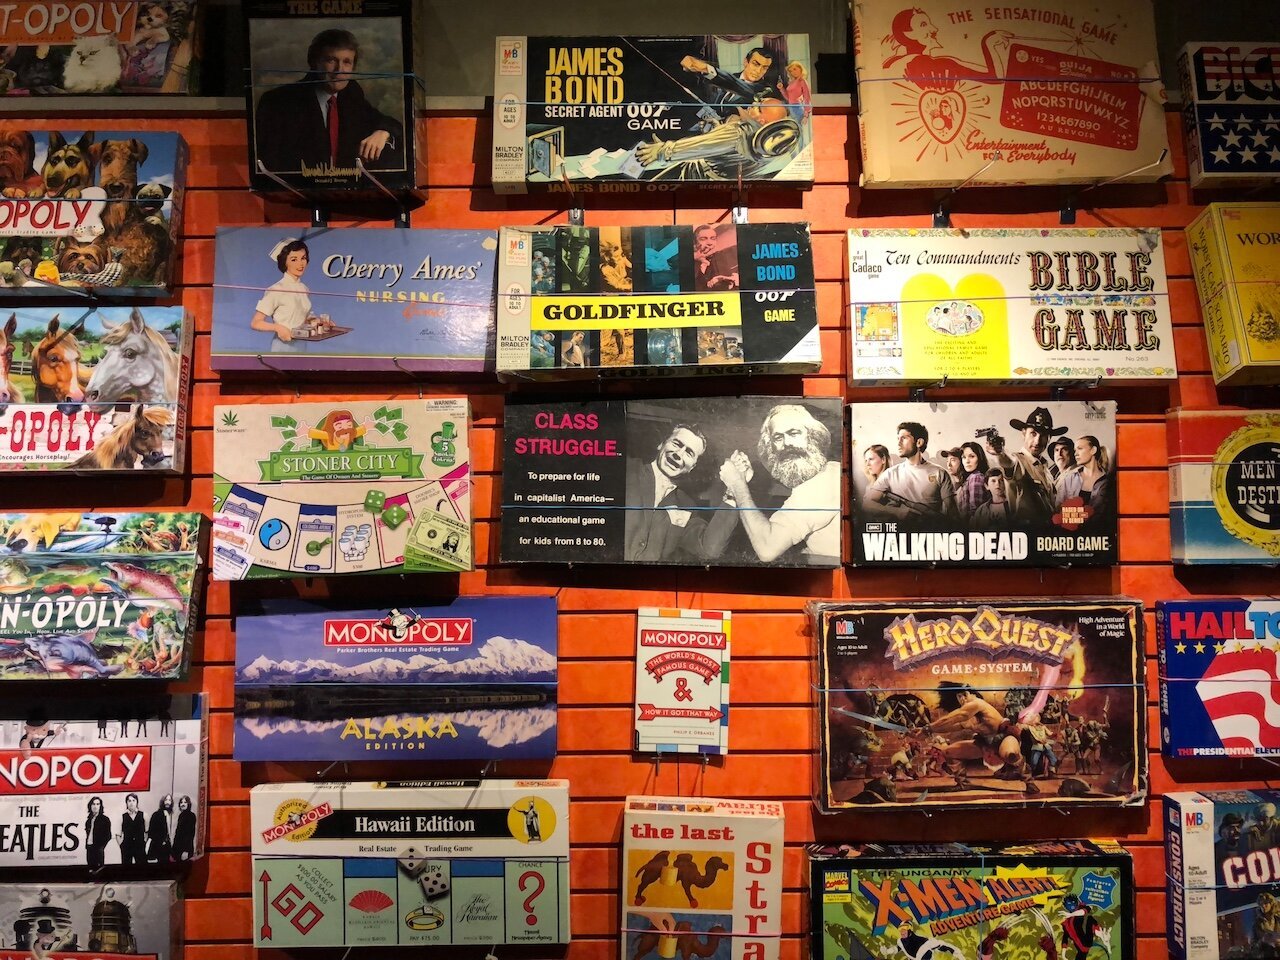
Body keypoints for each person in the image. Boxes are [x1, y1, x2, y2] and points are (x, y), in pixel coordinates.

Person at [253, 28, 403, 174]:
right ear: (314, 62)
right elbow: (268, 163)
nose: (340, 70)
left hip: (344, 193)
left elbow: (388, 122)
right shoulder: (277, 102)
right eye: (331, 60)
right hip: (297, 193)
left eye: (347, 62)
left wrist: (383, 132)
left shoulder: (351, 93)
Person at [715, 403, 841, 566]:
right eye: (778, 437)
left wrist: (737, 484)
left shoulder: (822, 481)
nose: (786, 443)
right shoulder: (830, 473)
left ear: (812, 437)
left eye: (794, 433)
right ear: (772, 447)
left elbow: (767, 548)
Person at [624, 423, 730, 563]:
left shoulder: (687, 505)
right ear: (661, 444)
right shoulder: (626, 470)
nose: (678, 454)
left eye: (689, 453)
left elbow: (709, 550)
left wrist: (733, 490)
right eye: (676, 444)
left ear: (692, 466)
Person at [929, 681, 1037, 795]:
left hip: (1003, 739)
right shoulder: (968, 714)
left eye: (961, 696)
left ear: (966, 693)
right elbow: (951, 726)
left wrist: (928, 728)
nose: (961, 700)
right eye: (958, 697)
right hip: (984, 744)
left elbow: (956, 717)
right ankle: (963, 783)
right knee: (949, 751)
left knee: (1010, 753)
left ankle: (1029, 782)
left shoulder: (977, 703)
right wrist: (926, 730)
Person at [882, 8, 1011, 91]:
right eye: (923, 25)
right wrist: (988, 44)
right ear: (908, 34)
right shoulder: (938, 65)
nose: (934, 29)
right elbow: (996, 77)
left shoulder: (891, 63)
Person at [986, 407, 1065, 526]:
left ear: (1049, 438)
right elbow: (1009, 462)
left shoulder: (1045, 468)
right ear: (1024, 433)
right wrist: (1000, 452)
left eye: (1043, 435)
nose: (1037, 441)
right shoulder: (1019, 461)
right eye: (1033, 433)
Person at [249, 238, 329, 352]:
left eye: (303, 258)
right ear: (284, 262)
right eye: (294, 259)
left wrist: (321, 322)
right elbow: (255, 323)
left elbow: (301, 319)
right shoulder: (276, 289)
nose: (300, 264)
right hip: (282, 346)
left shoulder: (304, 288)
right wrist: (278, 328)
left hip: (302, 345)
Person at [867, 421, 957, 520]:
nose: (898, 443)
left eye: (904, 438)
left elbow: (954, 514)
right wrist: (897, 512)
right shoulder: (890, 474)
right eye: (898, 438)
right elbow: (867, 504)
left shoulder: (940, 473)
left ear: (919, 442)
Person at [1073, 435, 1114, 524]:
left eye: (1080, 448)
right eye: (1075, 450)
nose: (1075, 454)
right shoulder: (1070, 479)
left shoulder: (1108, 483)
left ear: (1093, 450)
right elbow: (1059, 509)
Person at [692, 224, 738, 291]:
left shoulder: (724, 256)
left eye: (713, 238)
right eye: (703, 239)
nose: (709, 243)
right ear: (695, 243)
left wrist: (728, 279)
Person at [955, 441, 991, 519]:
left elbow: (976, 511)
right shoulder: (970, 478)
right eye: (964, 457)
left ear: (979, 458)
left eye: (972, 456)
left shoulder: (976, 477)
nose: (967, 461)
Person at [117, 792, 147, 866]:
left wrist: (144, 842)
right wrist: (121, 845)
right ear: (126, 803)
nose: (131, 803)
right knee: (126, 869)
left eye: (133, 800)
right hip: (127, 846)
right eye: (129, 801)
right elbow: (118, 834)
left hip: (140, 846)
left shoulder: (143, 815)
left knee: (142, 867)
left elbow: (147, 831)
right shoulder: (122, 816)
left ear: (137, 802)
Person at [1216, 812, 1246, 887]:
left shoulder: (1246, 845)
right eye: (1232, 828)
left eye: (1238, 827)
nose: (1236, 831)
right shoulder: (1216, 848)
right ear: (1224, 831)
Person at [1052, 437, 1082, 506]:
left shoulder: (1076, 474)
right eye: (1056, 450)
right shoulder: (1057, 476)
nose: (1059, 454)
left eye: (1064, 449)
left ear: (1072, 453)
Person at [85, 796, 111, 872]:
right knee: (90, 868)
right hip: (89, 846)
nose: (95, 806)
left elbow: (108, 835)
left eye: (97, 804)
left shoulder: (105, 819)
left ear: (100, 806)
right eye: (93, 804)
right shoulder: (88, 820)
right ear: (90, 806)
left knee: (99, 868)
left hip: (98, 847)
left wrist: (101, 846)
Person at [147, 793, 175, 863]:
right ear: (163, 801)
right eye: (166, 800)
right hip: (157, 848)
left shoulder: (170, 815)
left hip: (166, 848)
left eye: (169, 800)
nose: (168, 802)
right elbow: (151, 833)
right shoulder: (156, 815)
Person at [173, 795, 197, 861]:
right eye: (181, 802)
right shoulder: (181, 815)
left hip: (185, 850)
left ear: (188, 804)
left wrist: (186, 851)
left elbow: (190, 834)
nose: (182, 804)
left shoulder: (191, 815)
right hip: (178, 849)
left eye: (185, 802)